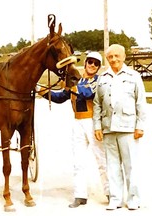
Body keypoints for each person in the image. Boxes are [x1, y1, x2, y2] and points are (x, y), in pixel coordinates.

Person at [37, 52, 109, 208]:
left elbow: (87, 94)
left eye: (96, 64)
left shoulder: (99, 81)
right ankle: (80, 195)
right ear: (85, 62)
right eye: (90, 62)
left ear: (98, 67)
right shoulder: (77, 81)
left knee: (101, 159)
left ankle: (110, 192)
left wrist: (71, 84)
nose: (92, 65)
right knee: (78, 162)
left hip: (93, 123)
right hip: (77, 122)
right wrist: (41, 90)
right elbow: (60, 97)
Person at [93, 44, 147, 211]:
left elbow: (141, 102)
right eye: (110, 57)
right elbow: (97, 104)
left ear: (123, 57)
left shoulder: (133, 76)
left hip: (128, 128)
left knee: (130, 166)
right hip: (108, 128)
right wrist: (97, 126)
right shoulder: (103, 78)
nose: (114, 59)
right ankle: (115, 199)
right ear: (107, 59)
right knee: (112, 166)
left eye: (117, 56)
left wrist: (140, 126)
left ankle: (133, 199)